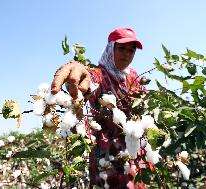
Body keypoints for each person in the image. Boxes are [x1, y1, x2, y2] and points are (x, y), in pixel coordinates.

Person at [51, 27, 146, 189]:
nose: (127, 54)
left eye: (132, 50)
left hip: (134, 150)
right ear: (111, 48)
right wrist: (77, 68)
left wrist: (141, 100)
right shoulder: (99, 75)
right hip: (106, 153)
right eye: (122, 48)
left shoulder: (134, 78)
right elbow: (88, 78)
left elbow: (144, 108)